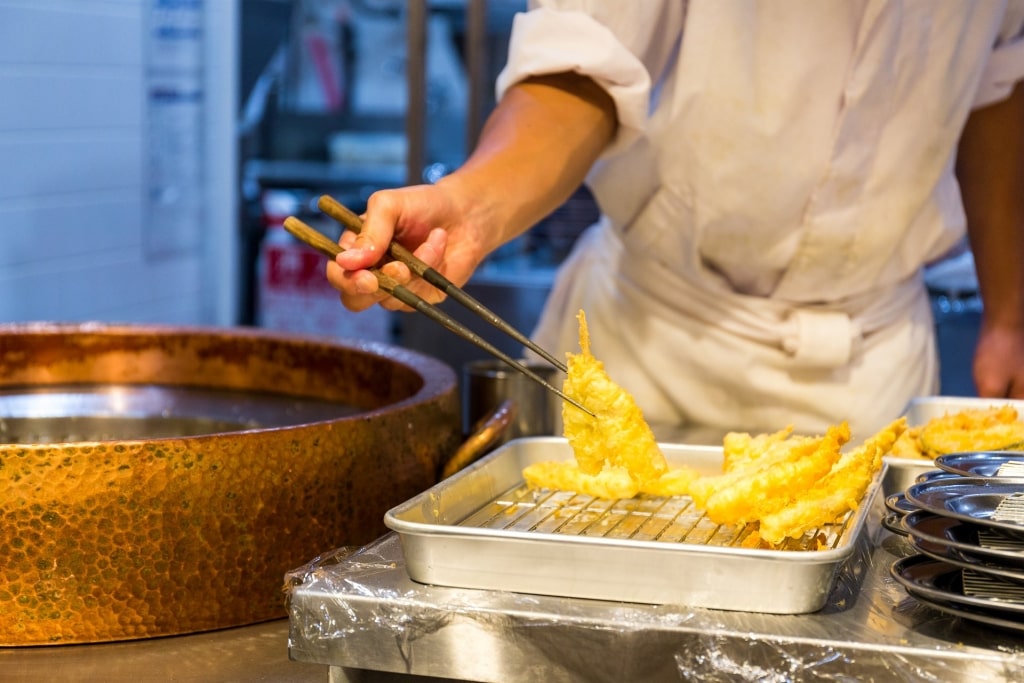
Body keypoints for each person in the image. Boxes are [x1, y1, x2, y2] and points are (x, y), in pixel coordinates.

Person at [326, 2, 1024, 436]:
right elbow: (584, 59)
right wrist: (472, 204)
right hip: (654, 348)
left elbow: (1000, 83)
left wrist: (1008, 316)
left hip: (877, 369)